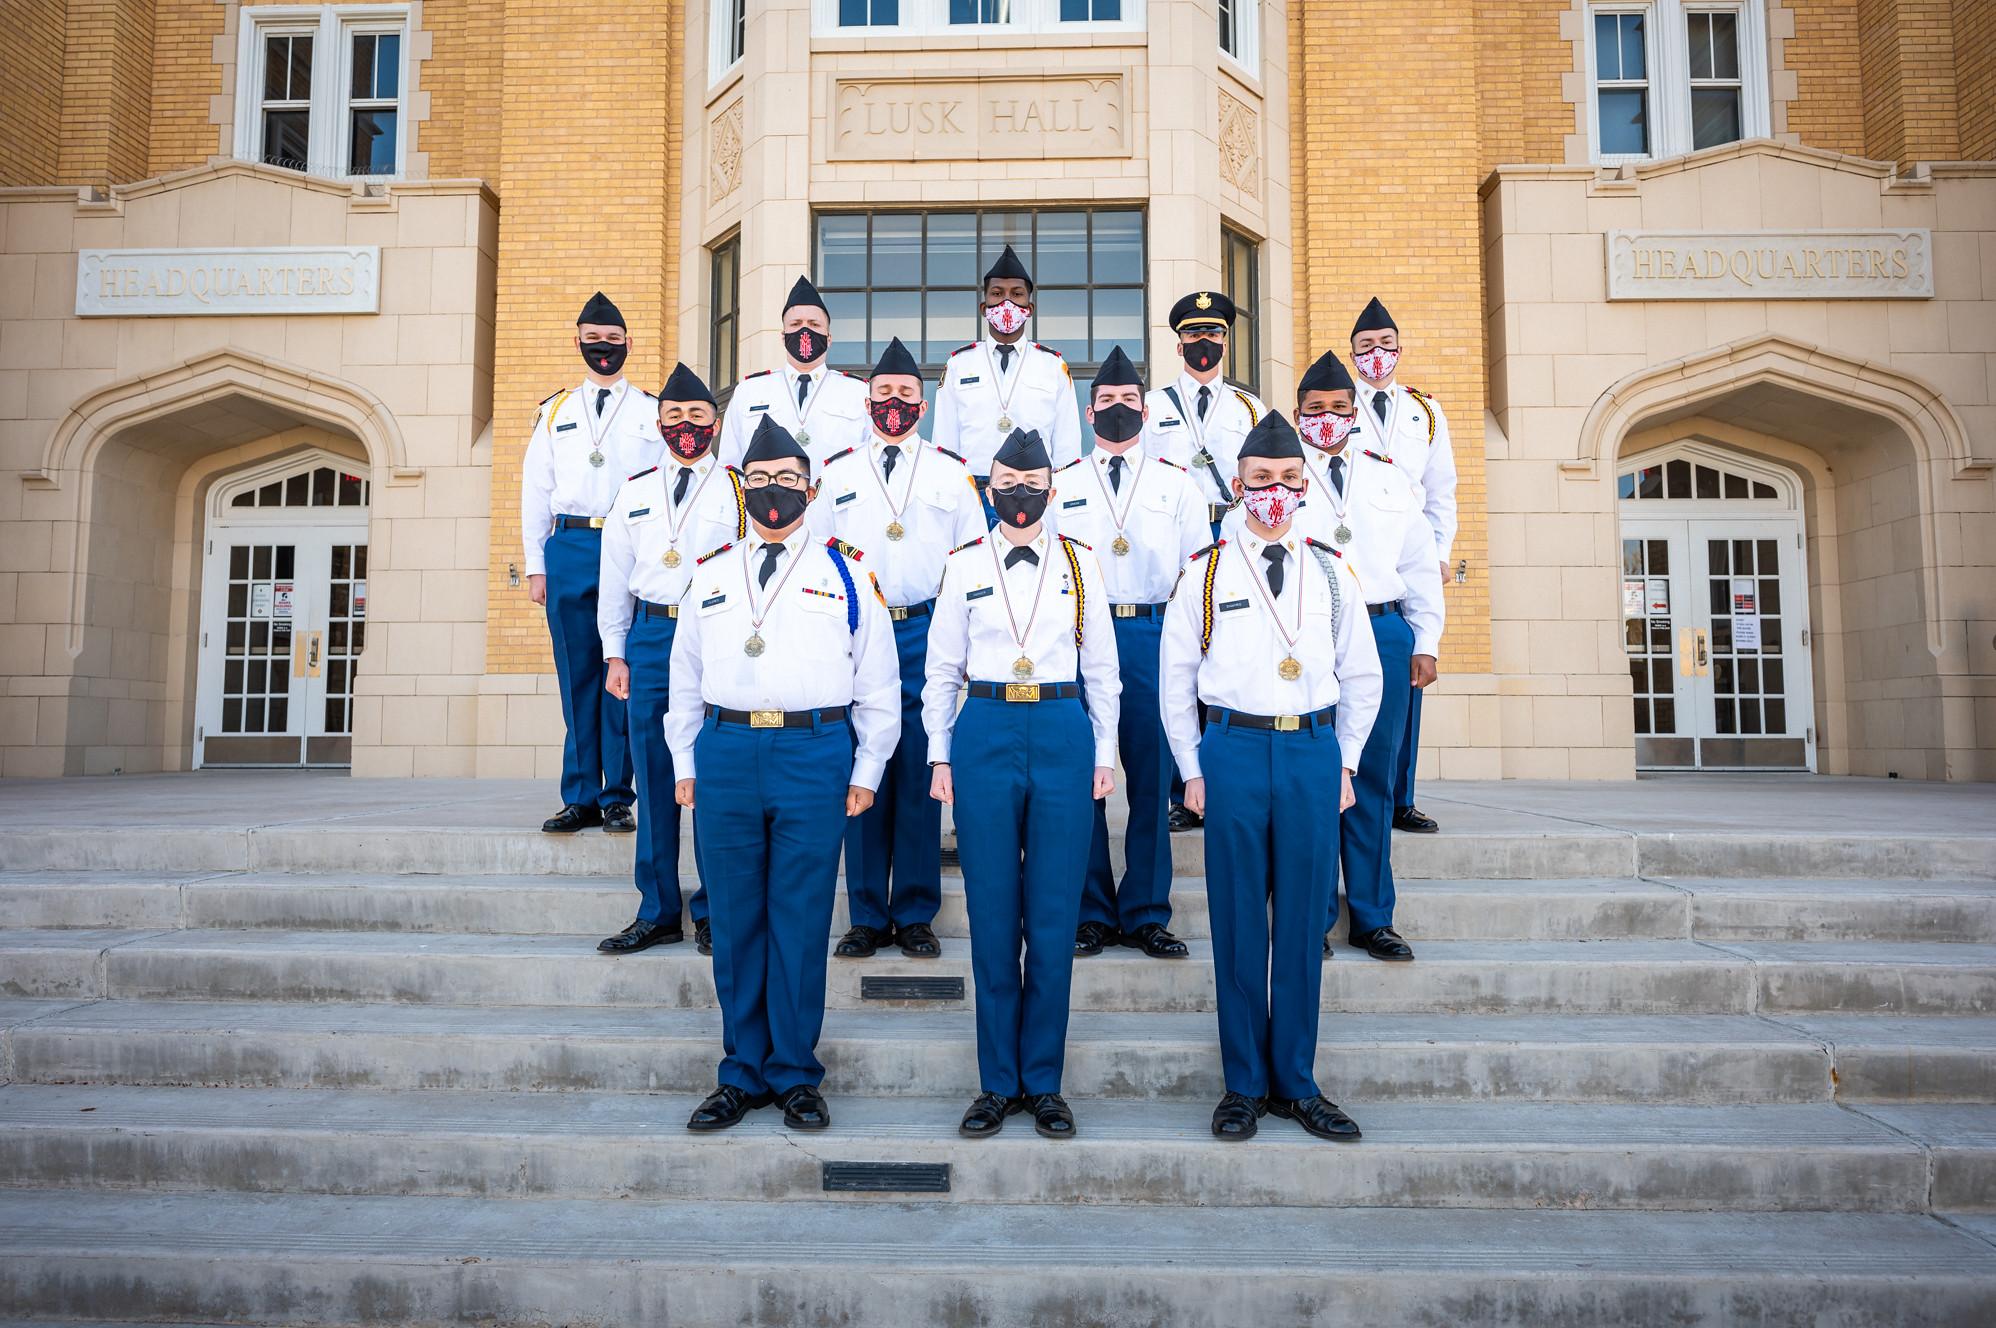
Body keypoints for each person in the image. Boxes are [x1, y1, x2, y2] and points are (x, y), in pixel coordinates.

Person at [669, 417, 900, 1133]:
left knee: (799, 921)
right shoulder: (708, 573)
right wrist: (684, 763)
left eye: (789, 481)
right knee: (736, 922)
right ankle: (740, 1072)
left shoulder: (849, 572)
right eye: (762, 480)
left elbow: (880, 684)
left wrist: (867, 767)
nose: (776, 493)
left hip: (814, 754)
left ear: (812, 488)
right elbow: (683, 681)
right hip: (728, 754)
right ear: (744, 486)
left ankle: (795, 1072)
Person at [1159, 410, 1382, 1143]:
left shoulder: (1331, 570)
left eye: (1289, 479)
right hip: (1234, 750)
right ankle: (1242, 1085)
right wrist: (1190, 768)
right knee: (1236, 923)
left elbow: (1363, 675)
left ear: (1306, 483)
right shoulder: (1206, 570)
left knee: (1302, 926)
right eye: (1261, 480)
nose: (1276, 492)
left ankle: (1297, 1081)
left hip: (1312, 753)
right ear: (1237, 486)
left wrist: (1346, 760)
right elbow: (1175, 680)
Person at [923, 427, 1118, 1141]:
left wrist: (1105, 751)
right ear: (989, 485)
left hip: (1064, 728)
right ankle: (996, 1082)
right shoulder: (965, 562)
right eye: (1006, 480)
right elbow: (942, 669)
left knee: (1054, 915)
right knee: (994, 915)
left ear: (1051, 488)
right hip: (985, 730)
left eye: (1031, 482)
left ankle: (1044, 1081)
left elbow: (1103, 668)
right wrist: (940, 756)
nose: (1019, 492)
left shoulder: (1081, 563)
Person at [813, 337, 986, 961]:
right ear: (867, 400)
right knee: (864, 763)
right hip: (857, 632)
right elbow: (818, 556)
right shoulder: (837, 473)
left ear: (924, 402)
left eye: (906, 394)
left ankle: (914, 912)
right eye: (884, 393)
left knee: (919, 767)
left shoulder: (951, 471)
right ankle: (865, 913)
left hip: (925, 629)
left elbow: (972, 561)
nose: (894, 402)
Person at [1051, 346, 1208, 960]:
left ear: (1147, 412)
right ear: (1090, 413)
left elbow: (1200, 573)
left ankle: (1146, 910)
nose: (1119, 410)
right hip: (1081, 633)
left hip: (1153, 633)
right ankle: (1091, 910)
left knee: (1151, 777)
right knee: (1083, 780)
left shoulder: (1178, 484)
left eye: (1130, 402)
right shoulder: (1062, 483)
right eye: (1108, 402)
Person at [1289, 348, 1445, 962]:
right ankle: (1317, 915)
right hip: (1307, 637)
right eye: (1314, 409)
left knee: (1374, 782)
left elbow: (1419, 566)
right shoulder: (1278, 474)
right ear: (1298, 414)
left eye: (1336, 408)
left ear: (1354, 411)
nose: (1326, 417)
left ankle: (1373, 917)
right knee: (1317, 780)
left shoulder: (1388, 477)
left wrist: (1425, 641)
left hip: (1383, 633)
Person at [596, 363, 747, 958]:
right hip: (653, 638)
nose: (687, 425)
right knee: (657, 776)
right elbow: (615, 583)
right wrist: (615, 652)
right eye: (675, 416)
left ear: (717, 421)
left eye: (699, 415)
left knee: (707, 775)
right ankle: (657, 909)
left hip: (717, 636)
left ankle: (713, 909)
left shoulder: (739, 488)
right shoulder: (632, 491)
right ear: (658, 423)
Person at [521, 291, 661, 835]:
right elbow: (536, 490)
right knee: (577, 673)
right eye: (593, 339)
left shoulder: (652, 411)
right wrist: (538, 564)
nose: (603, 347)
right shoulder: (555, 410)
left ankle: (618, 795)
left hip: (627, 545)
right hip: (572, 546)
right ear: (577, 341)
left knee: (620, 670)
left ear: (628, 343)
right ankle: (579, 794)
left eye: (613, 339)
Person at [1142, 290, 1270, 832]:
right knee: (1183, 657)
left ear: (1225, 340)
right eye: (1193, 334)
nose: (1203, 343)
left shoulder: (1249, 407)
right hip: (1177, 536)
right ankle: (1181, 788)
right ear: (1178, 343)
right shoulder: (1153, 405)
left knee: (1229, 650)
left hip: (1235, 528)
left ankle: (1224, 778)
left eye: (1213, 333)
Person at [1349, 297, 1457, 834]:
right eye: (1366, 347)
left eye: (1385, 345)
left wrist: (1438, 555)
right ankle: (1360, 790)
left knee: (1409, 680)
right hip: (1366, 556)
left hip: (1411, 560)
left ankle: (1400, 796)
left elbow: (1442, 492)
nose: (1377, 355)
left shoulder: (1425, 411)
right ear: (1352, 355)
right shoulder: (1339, 409)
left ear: (1399, 350)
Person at [930, 244, 1084, 512]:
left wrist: (1064, 500)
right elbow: (944, 441)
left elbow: (1067, 444)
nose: (1007, 302)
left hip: (1035, 490)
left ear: (1029, 307)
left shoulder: (1052, 365)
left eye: (1017, 294)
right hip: (972, 492)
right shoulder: (958, 364)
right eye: (997, 294)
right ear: (984, 306)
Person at [717, 276, 869, 470]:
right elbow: (730, 465)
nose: (805, 330)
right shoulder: (749, 391)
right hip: (768, 500)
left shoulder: (858, 392)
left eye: (814, 324)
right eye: (796, 324)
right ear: (783, 336)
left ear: (829, 338)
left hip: (837, 500)